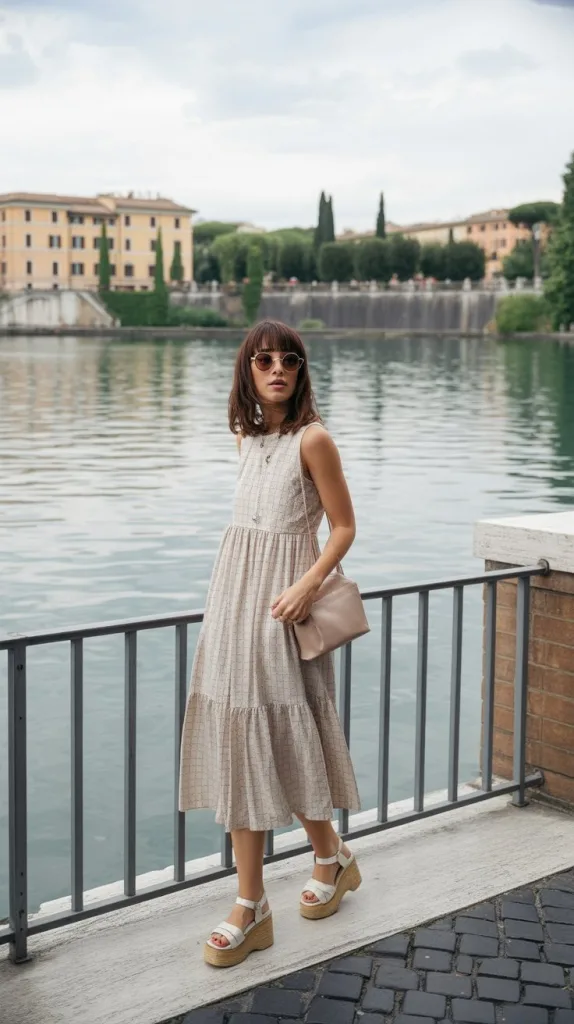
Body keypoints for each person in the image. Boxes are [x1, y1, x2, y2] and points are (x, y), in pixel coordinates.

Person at [179, 318, 361, 968]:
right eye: (264, 361)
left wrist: (309, 585)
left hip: (284, 605)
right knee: (245, 736)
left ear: (301, 370)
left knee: (274, 733)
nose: (277, 369)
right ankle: (329, 857)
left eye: (288, 359)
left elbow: (343, 527)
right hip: (232, 601)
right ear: (247, 373)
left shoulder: (315, 439)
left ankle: (252, 904)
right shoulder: (244, 437)